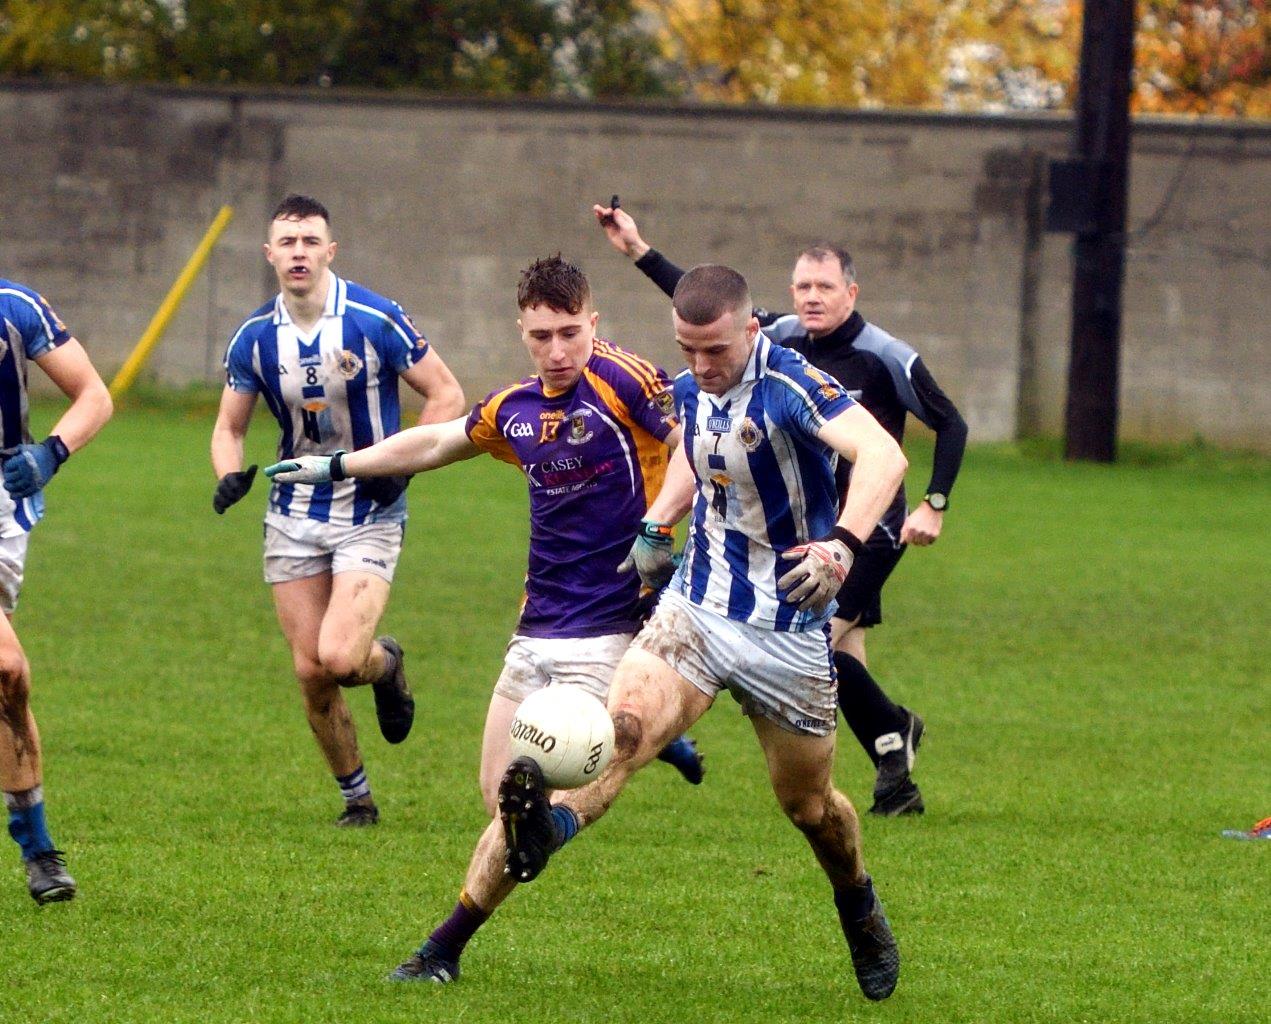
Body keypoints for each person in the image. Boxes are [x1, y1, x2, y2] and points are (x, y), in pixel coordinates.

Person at [378, 264, 909, 1001]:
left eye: (714, 351)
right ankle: (501, 881)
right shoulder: (691, 391)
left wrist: (841, 545)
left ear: (750, 331)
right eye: (686, 350)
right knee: (618, 737)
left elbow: (883, 454)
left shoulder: (792, 386)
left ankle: (855, 900)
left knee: (809, 810)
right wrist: (662, 519)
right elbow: (694, 451)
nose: (698, 367)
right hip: (695, 610)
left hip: (787, 628)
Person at [265, 254, 703, 817]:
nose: (558, 351)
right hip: (539, 619)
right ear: (521, 331)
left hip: (614, 616)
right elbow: (437, 442)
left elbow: (691, 450)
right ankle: (653, 739)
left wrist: (658, 524)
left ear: (594, 322)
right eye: (542, 336)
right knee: (500, 801)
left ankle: (646, 736)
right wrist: (338, 465)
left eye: (571, 333)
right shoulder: (515, 406)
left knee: (569, 788)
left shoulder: (626, 380)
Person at [594, 201, 968, 816]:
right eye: (802, 286)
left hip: (863, 529)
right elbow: (706, 306)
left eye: (824, 286)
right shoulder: (777, 336)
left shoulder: (885, 355)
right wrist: (638, 250)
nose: (811, 297)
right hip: (797, 526)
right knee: (841, 654)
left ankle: (885, 745)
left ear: (851, 291)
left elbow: (949, 423)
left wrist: (935, 503)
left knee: (817, 639)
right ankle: (894, 761)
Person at [210, 194, 465, 826]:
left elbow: (447, 392)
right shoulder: (254, 338)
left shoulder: (375, 319)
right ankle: (358, 799)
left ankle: (387, 665)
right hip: (292, 507)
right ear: (270, 254)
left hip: (370, 505)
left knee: (343, 657)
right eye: (287, 242)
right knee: (310, 670)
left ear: (330, 250)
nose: (299, 252)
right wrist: (226, 475)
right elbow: (228, 427)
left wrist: (397, 470)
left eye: (309, 241)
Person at [0, 279, 112, 902]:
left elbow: (93, 394)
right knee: (7, 665)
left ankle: (36, 846)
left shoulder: (15, 307)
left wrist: (50, 453)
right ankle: (38, 848)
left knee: (5, 679)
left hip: (4, 504)